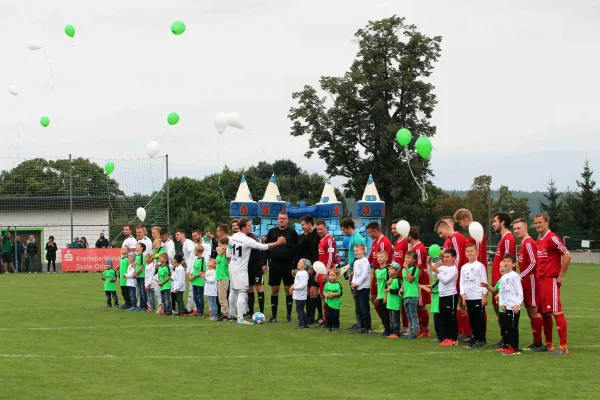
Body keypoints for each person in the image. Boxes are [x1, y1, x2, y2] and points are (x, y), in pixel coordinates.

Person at [230, 217, 286, 325]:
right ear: (243, 227)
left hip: (232, 266)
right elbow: (263, 246)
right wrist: (278, 243)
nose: (251, 226)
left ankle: (231, 313)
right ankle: (240, 318)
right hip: (241, 269)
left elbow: (228, 248)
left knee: (233, 290)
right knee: (242, 292)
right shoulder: (246, 240)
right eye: (249, 225)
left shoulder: (234, 236)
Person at [534, 212, 571, 355]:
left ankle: (563, 346)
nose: (537, 225)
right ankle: (548, 343)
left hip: (551, 279)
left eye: (540, 222)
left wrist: (560, 275)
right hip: (541, 280)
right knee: (544, 313)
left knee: (556, 311)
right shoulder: (539, 239)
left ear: (547, 222)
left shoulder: (553, 238)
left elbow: (567, 255)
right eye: (536, 223)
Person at [435, 217, 469, 341]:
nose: (440, 235)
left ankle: (465, 333)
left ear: (446, 227)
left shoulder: (456, 238)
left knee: (462, 305)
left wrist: (453, 273)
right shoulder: (452, 239)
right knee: (460, 306)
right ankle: (462, 332)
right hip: (458, 276)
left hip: (458, 276)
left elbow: (458, 258)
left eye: (440, 232)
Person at [513, 218, 544, 351]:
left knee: (533, 310)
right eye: (514, 229)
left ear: (525, 228)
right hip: (526, 280)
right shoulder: (523, 244)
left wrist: (520, 276)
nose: (516, 231)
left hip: (531, 280)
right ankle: (537, 342)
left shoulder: (529, 243)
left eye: (519, 228)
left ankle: (538, 343)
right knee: (531, 310)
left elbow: (533, 263)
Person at [262, 213, 299, 323]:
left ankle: (289, 316)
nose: (281, 220)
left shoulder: (292, 232)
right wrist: (264, 262)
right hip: (274, 264)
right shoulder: (272, 232)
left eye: (284, 219)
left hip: (288, 264)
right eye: (280, 219)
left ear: (288, 220)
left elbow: (297, 248)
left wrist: (286, 243)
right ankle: (273, 316)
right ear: (277, 220)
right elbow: (267, 248)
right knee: (275, 289)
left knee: (288, 289)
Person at [490, 212, 516, 348]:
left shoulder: (507, 239)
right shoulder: (504, 239)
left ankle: (507, 338)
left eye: (495, 221)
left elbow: (508, 261)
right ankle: (505, 336)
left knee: (503, 308)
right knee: (498, 307)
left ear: (502, 222)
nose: (493, 224)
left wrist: (504, 283)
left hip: (503, 283)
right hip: (499, 281)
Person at [460, 244, 488, 348]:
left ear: (477, 252)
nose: (470, 253)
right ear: (465, 253)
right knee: (471, 318)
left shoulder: (479, 266)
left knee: (479, 318)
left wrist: (484, 296)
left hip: (477, 296)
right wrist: (463, 295)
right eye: (468, 251)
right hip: (469, 297)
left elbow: (484, 281)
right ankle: (475, 337)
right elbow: (462, 282)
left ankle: (481, 339)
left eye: (472, 251)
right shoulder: (464, 267)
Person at [366, 222, 392, 333]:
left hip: (383, 274)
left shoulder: (384, 242)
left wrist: (386, 275)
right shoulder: (374, 242)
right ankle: (384, 322)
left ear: (375, 231)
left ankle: (388, 323)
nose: (369, 235)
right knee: (373, 297)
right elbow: (371, 257)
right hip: (376, 274)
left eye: (370, 233)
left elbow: (387, 259)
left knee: (384, 300)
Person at [340, 218, 365, 332]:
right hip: (353, 271)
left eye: (344, 229)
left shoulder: (357, 238)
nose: (343, 232)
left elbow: (359, 255)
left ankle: (362, 324)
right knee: (356, 298)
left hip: (356, 272)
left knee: (358, 298)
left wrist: (349, 266)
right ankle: (359, 322)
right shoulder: (353, 238)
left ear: (349, 228)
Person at [295, 216, 321, 325]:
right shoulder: (308, 236)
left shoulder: (317, 235)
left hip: (316, 267)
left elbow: (317, 253)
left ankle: (319, 315)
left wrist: (313, 266)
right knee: (310, 292)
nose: (302, 227)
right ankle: (311, 316)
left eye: (303, 225)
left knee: (314, 292)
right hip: (309, 267)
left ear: (310, 224)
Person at [431, 249, 459, 346]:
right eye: (445, 257)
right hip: (442, 296)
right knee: (443, 318)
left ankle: (453, 338)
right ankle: (446, 337)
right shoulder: (443, 267)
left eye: (448, 257)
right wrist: (429, 263)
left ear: (453, 258)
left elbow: (445, 280)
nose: (446, 259)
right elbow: (432, 272)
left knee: (450, 318)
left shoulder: (454, 269)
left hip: (450, 296)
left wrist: (437, 270)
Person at [498, 254, 524, 355]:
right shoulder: (503, 277)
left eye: (508, 261)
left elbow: (519, 292)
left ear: (513, 264)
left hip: (513, 307)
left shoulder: (515, 276)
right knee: (506, 327)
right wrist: (502, 303)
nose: (506, 263)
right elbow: (502, 292)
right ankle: (507, 345)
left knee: (512, 328)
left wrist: (517, 304)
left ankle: (514, 348)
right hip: (506, 307)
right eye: (504, 261)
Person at [407, 227, 430, 337]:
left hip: (420, 280)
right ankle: (421, 328)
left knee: (421, 305)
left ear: (410, 236)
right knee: (417, 305)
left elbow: (420, 267)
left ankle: (425, 330)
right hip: (416, 279)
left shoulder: (419, 248)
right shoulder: (415, 247)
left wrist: (415, 280)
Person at [316, 220, 336, 326]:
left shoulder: (329, 239)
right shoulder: (321, 240)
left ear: (326, 228)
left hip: (326, 272)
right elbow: (320, 258)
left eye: (321, 229)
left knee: (327, 296)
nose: (319, 231)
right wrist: (317, 272)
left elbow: (330, 258)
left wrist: (326, 272)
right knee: (322, 295)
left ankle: (330, 320)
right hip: (321, 272)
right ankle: (325, 319)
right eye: (318, 229)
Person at [391, 219, 410, 334]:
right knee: (400, 302)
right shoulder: (397, 242)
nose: (393, 230)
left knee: (406, 303)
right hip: (397, 277)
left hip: (404, 277)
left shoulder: (406, 242)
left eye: (395, 228)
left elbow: (408, 259)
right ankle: (404, 325)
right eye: (392, 228)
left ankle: (408, 326)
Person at [351, 243, 371, 334]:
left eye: (357, 250)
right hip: (357, 287)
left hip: (364, 288)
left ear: (363, 251)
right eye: (354, 251)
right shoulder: (356, 261)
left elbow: (364, 275)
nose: (355, 253)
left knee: (364, 308)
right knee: (359, 307)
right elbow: (355, 274)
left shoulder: (365, 261)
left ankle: (367, 327)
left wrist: (357, 284)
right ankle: (362, 326)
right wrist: (353, 282)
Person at [176, 230, 196, 315]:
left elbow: (192, 256)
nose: (176, 236)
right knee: (192, 289)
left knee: (193, 289)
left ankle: (191, 308)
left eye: (178, 234)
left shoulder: (188, 243)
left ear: (183, 234)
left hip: (193, 269)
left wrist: (188, 270)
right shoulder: (185, 244)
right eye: (175, 235)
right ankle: (191, 308)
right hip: (191, 268)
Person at [245, 232, 265, 317]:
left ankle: (261, 311)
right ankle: (250, 311)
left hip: (256, 270)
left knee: (259, 287)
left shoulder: (257, 248)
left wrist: (263, 265)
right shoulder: (246, 248)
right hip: (247, 270)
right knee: (249, 288)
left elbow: (262, 256)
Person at [402, 251, 420, 339]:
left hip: (412, 294)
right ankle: (410, 330)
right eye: (405, 257)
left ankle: (414, 332)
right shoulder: (403, 269)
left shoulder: (414, 268)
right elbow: (404, 281)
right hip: (406, 294)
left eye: (408, 258)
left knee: (413, 314)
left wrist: (405, 268)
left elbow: (410, 279)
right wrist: (401, 288)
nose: (406, 259)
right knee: (408, 314)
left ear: (414, 260)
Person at [374, 251, 391, 337]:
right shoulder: (377, 271)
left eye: (381, 257)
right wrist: (377, 295)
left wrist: (386, 296)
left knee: (386, 314)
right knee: (383, 313)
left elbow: (388, 284)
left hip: (385, 296)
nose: (379, 258)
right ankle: (386, 329)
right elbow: (379, 284)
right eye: (378, 257)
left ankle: (388, 331)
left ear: (386, 258)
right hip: (380, 295)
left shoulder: (387, 270)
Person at [291, 258, 310, 329]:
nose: (298, 263)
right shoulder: (299, 272)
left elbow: (303, 285)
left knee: (299, 309)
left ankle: (301, 324)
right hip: (297, 294)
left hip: (301, 295)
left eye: (300, 262)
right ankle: (305, 323)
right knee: (301, 309)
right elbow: (297, 283)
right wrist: (293, 287)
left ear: (304, 265)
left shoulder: (304, 274)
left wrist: (294, 288)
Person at [189, 245, 207, 317]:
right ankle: (198, 311)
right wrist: (191, 276)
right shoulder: (196, 259)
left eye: (195, 251)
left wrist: (194, 276)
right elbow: (195, 269)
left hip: (199, 282)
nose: (194, 252)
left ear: (198, 251)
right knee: (195, 297)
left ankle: (201, 312)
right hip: (194, 281)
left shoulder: (203, 260)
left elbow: (202, 272)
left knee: (199, 297)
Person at [385, 262, 402, 338]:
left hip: (395, 303)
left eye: (391, 269)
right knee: (391, 320)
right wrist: (387, 284)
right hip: (390, 303)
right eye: (389, 269)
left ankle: (396, 332)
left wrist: (390, 290)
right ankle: (391, 332)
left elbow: (399, 291)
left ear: (396, 271)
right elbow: (386, 289)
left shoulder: (398, 280)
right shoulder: (390, 279)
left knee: (395, 320)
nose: (389, 270)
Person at [216, 238, 231, 321]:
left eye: (220, 243)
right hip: (219, 278)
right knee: (220, 297)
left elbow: (226, 248)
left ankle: (225, 314)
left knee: (223, 298)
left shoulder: (226, 254)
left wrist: (225, 247)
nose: (218, 245)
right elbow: (218, 249)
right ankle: (224, 313)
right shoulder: (220, 255)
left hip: (223, 278)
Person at [133, 243, 148, 312]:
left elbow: (141, 267)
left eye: (138, 246)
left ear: (141, 248)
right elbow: (137, 266)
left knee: (143, 291)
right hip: (138, 276)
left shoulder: (142, 256)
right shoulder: (137, 256)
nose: (136, 246)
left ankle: (144, 307)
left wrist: (135, 274)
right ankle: (141, 306)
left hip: (142, 276)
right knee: (140, 291)